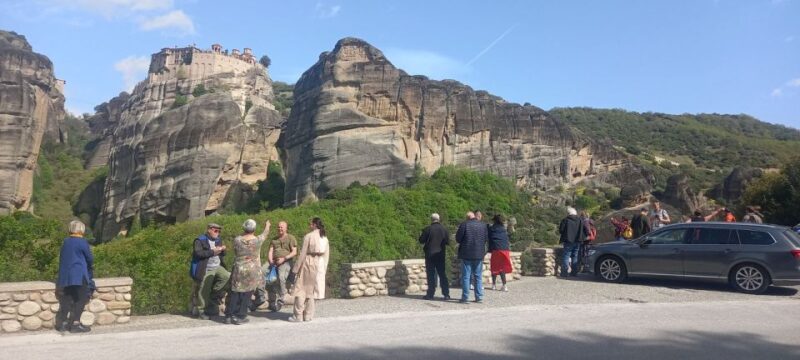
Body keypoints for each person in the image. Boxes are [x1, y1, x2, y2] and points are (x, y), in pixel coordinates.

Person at [224, 219, 270, 325]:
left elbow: (235, 252)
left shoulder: (237, 240)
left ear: (244, 228)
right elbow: (265, 234)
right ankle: (241, 316)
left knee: (235, 292)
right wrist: (267, 225)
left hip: (239, 269)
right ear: (254, 229)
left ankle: (229, 315)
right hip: (252, 270)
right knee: (247, 293)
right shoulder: (257, 240)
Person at [55, 220, 94, 333]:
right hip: (78, 275)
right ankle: (75, 324)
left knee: (66, 299)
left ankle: (62, 324)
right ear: (81, 229)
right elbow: (90, 259)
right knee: (81, 299)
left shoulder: (65, 242)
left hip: (65, 276)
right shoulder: (82, 242)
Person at [289, 217, 330, 322]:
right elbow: (326, 255)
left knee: (301, 289)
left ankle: (298, 315)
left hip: (309, 262)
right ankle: (308, 315)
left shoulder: (309, 236)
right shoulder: (325, 238)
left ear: (315, 225)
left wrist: (295, 269)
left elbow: (302, 254)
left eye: (310, 224)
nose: (309, 226)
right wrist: (324, 268)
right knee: (311, 290)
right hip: (320, 264)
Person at [252, 221, 297, 312]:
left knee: (281, 277)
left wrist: (284, 259)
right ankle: (260, 297)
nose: (280, 229)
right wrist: (270, 261)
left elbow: (294, 252)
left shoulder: (291, 238)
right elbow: (270, 251)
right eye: (278, 227)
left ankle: (281, 299)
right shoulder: (274, 239)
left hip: (286, 261)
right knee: (261, 272)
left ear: (286, 228)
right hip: (273, 261)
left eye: (282, 227)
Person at [190, 223, 230, 320]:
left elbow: (222, 254)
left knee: (228, 276)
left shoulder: (218, 239)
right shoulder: (200, 240)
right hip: (206, 268)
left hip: (217, 266)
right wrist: (213, 251)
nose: (218, 233)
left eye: (219, 231)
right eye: (216, 231)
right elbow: (198, 253)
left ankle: (213, 295)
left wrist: (223, 250)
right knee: (204, 288)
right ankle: (201, 310)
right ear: (209, 230)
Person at [456, 211, 488, 303]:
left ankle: (465, 298)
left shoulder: (464, 224)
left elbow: (458, 239)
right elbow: (486, 239)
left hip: (466, 253)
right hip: (479, 254)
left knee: (466, 276)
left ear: (467, 217)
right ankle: (479, 297)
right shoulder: (483, 225)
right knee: (478, 276)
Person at [418, 213, 450, 300]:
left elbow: (421, 240)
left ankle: (430, 294)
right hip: (440, 254)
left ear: (431, 219)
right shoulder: (444, 229)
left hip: (430, 255)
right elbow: (448, 242)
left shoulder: (428, 229)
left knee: (430, 275)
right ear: (439, 219)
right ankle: (446, 294)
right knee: (442, 274)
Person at [558, 207, 586, 277]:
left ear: (568, 213)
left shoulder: (565, 220)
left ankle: (564, 273)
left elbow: (561, 230)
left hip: (568, 241)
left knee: (566, 256)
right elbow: (584, 230)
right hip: (577, 241)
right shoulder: (580, 220)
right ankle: (574, 272)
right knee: (575, 256)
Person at [488, 214, 512, 292]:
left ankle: (494, 285)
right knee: (502, 267)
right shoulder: (503, 229)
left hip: (496, 249)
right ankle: (504, 285)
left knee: (494, 266)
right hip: (505, 249)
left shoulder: (492, 228)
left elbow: (489, 239)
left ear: (494, 220)